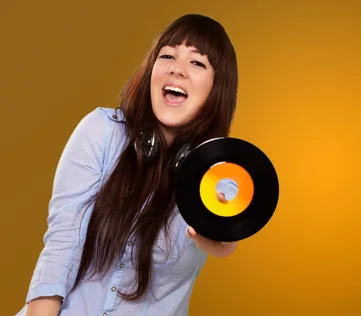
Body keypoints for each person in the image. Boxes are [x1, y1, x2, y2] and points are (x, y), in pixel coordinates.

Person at [17, 13, 240, 316]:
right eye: (168, 56)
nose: (177, 69)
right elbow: (61, 247)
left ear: (217, 87)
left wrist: (220, 235)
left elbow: (228, 226)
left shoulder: (218, 171)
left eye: (197, 62)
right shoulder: (101, 131)